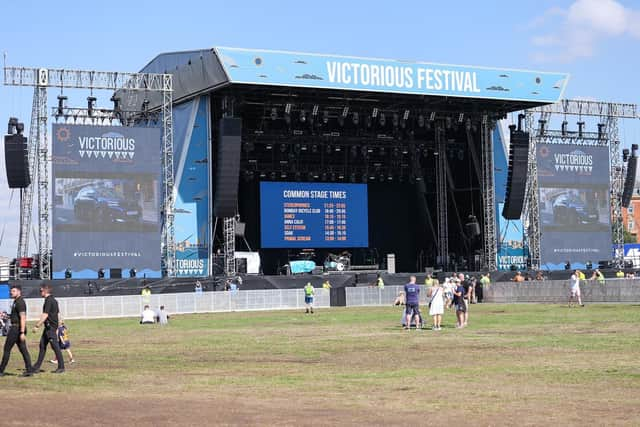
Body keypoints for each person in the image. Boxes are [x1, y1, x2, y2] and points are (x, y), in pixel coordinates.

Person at [0, 284, 34, 377]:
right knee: (23, 350)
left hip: (17, 328)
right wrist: (6, 316)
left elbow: (23, 317)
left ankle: (1, 370)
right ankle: (29, 370)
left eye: (13, 291)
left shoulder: (20, 302)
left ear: (19, 291)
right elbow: (15, 316)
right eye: (11, 291)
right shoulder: (16, 301)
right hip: (16, 327)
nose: (11, 292)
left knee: (7, 349)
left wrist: (22, 332)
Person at [31, 284, 65, 374]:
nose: (40, 292)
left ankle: (61, 367)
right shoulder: (53, 300)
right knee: (42, 346)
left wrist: (37, 326)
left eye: (41, 290)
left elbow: (45, 315)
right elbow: (58, 314)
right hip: (48, 328)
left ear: (46, 291)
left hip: (50, 328)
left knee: (55, 347)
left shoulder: (49, 301)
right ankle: (37, 367)